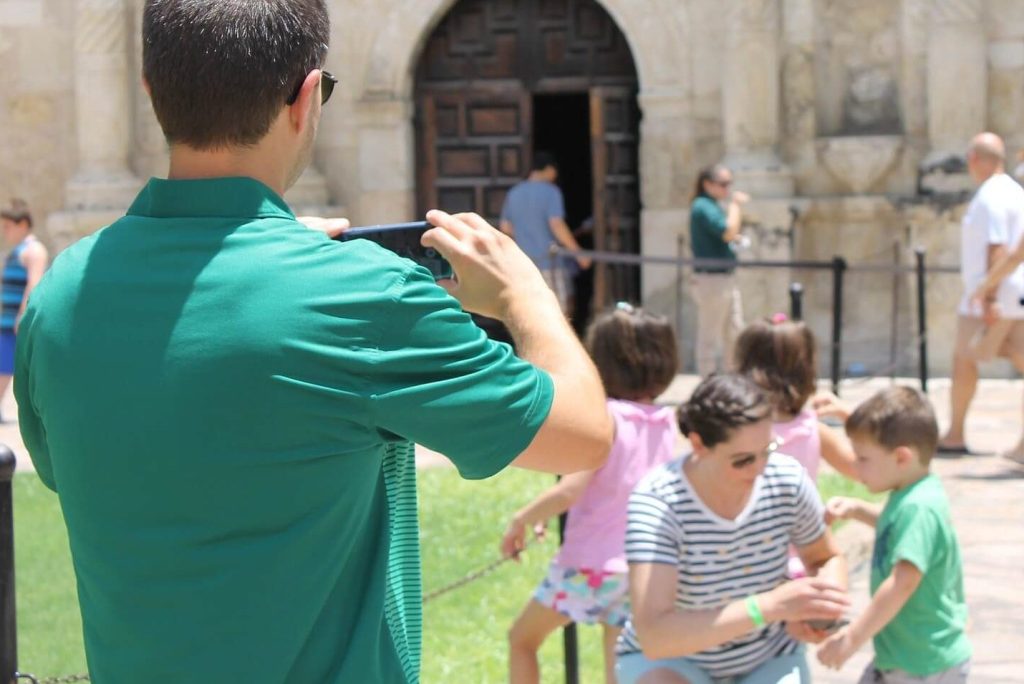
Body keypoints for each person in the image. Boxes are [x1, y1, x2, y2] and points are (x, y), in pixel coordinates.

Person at [14, 3, 614, 683]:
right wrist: (524, 295)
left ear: (151, 91)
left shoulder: (60, 296)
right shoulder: (366, 297)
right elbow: (583, 433)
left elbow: (73, 468)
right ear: (306, 98)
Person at [616, 374, 850, 684]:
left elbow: (826, 558)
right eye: (742, 460)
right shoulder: (659, 503)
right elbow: (656, 637)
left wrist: (818, 612)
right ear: (699, 444)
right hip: (673, 661)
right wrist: (768, 607)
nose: (760, 468)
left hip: (769, 657)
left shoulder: (786, 479)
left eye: (768, 449)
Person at [502, 303, 680, 684]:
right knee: (618, 664)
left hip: (589, 567)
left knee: (522, 640)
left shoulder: (606, 417)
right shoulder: (666, 422)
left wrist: (523, 518)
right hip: (639, 568)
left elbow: (570, 490)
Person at [818, 387, 972, 683]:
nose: (855, 465)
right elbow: (897, 529)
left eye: (862, 459)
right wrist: (858, 510)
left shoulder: (918, 507)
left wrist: (852, 638)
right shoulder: (911, 490)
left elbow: (903, 582)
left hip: (924, 665)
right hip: (905, 655)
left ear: (901, 457)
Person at [734, 316, 859, 577]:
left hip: (744, 562)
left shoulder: (736, 432)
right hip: (803, 562)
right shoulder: (813, 430)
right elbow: (860, 468)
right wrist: (852, 420)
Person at [938, 132, 1024, 457]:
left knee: (964, 360)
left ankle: (956, 433)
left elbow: (998, 249)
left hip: (992, 296)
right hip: (1014, 294)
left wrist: (988, 297)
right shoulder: (1015, 192)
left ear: (974, 159)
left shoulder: (991, 197)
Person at [500, 151, 591, 313]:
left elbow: (506, 228)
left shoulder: (514, 193)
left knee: (532, 312)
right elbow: (557, 224)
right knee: (559, 311)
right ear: (549, 169)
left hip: (525, 264)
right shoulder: (551, 191)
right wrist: (579, 254)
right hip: (550, 263)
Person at [689, 165, 749, 376]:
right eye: (723, 184)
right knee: (709, 335)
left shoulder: (712, 205)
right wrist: (735, 206)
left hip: (725, 278)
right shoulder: (702, 205)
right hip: (711, 280)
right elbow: (727, 231)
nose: (728, 188)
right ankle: (708, 382)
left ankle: (733, 379)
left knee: (735, 331)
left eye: (729, 183)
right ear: (707, 184)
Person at [0, 199, 48, 421]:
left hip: (18, 324)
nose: (4, 232)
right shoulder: (17, 251)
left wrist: (22, 316)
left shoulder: (34, 250)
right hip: (8, 321)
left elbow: (33, 284)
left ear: (22, 224)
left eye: (7, 227)